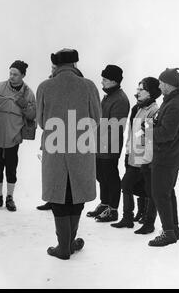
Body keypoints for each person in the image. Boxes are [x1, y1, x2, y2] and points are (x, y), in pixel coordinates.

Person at [36, 48, 101, 260]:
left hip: (54, 148)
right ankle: (68, 243)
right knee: (77, 193)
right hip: (81, 147)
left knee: (59, 194)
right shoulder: (89, 86)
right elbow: (96, 118)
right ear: (75, 65)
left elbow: (41, 121)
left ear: (56, 65)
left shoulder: (45, 86)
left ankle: (64, 245)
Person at [111, 77, 160, 229]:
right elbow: (133, 133)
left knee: (127, 184)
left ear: (150, 93)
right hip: (133, 155)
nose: (137, 92)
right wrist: (127, 150)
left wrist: (145, 158)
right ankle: (139, 214)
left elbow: (149, 137)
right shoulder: (138, 108)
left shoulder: (153, 110)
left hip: (143, 157)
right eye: (137, 89)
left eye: (141, 90)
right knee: (139, 187)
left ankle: (131, 217)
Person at [148, 68, 179, 247]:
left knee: (160, 194)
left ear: (169, 84)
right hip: (172, 154)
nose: (159, 85)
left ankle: (168, 233)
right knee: (167, 192)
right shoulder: (174, 100)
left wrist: (148, 130)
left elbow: (167, 133)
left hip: (167, 156)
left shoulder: (175, 103)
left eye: (161, 83)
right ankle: (174, 229)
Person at [0, 60, 36, 212]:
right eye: (10, 73)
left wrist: (23, 104)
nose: (12, 76)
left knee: (11, 168)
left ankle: (9, 197)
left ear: (22, 75)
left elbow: (33, 115)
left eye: (15, 74)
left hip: (13, 137)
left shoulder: (28, 93)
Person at [86, 65, 130, 222]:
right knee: (101, 175)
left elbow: (115, 127)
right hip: (99, 144)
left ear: (113, 81)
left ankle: (113, 209)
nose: (102, 82)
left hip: (109, 146)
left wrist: (105, 146)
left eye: (105, 79)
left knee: (110, 176)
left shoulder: (120, 99)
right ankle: (104, 204)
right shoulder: (109, 96)